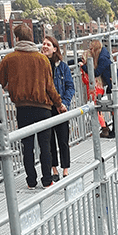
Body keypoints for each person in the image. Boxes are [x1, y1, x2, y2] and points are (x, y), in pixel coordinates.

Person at [0, 24, 66, 189]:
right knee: (45, 146)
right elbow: (50, 87)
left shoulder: (10, 59)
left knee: (27, 147)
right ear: (31, 39)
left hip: (23, 109)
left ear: (17, 38)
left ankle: (31, 181)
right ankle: (47, 179)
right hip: (43, 108)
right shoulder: (42, 59)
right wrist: (59, 104)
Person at [41, 36, 74, 181]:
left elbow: (70, 86)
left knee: (63, 139)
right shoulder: (40, 65)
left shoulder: (63, 67)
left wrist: (65, 103)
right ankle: (54, 169)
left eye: (48, 44)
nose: (45, 46)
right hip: (46, 107)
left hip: (60, 106)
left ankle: (65, 169)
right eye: (43, 44)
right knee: (49, 141)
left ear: (55, 49)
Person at [80, 40, 118, 138]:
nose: (91, 51)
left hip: (116, 83)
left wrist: (84, 67)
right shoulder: (103, 55)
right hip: (113, 82)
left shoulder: (102, 59)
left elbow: (96, 73)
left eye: (92, 49)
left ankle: (114, 131)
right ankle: (114, 130)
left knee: (114, 107)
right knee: (113, 107)